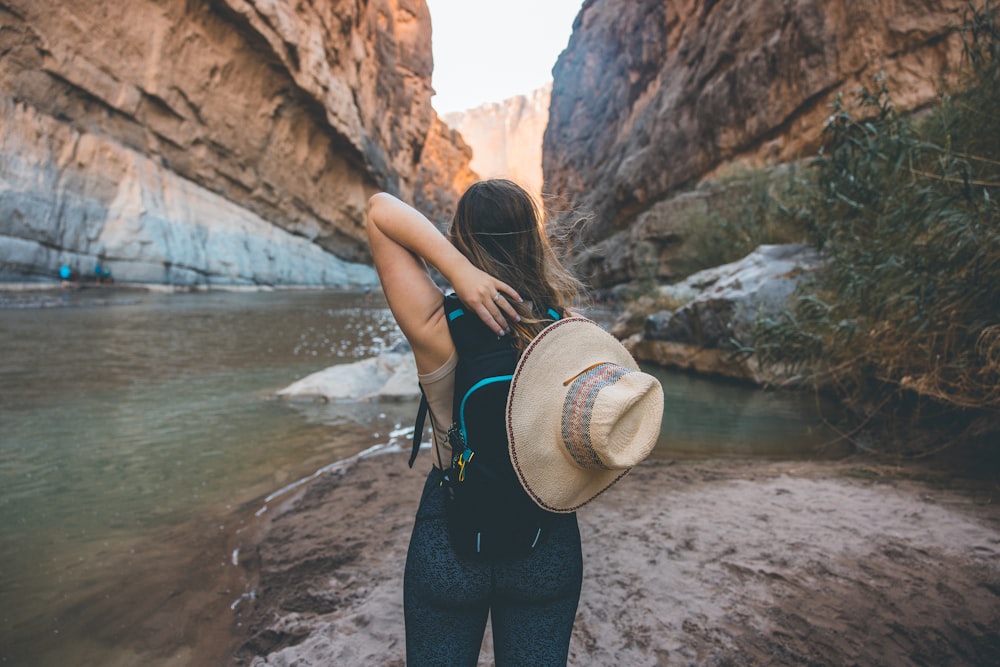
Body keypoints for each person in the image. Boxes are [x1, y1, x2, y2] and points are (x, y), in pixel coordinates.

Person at [366, 179, 587, 665]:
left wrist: (458, 273)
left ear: (458, 239)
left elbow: (380, 210)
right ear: (534, 239)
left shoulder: (436, 325)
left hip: (450, 533)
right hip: (544, 537)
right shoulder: (561, 328)